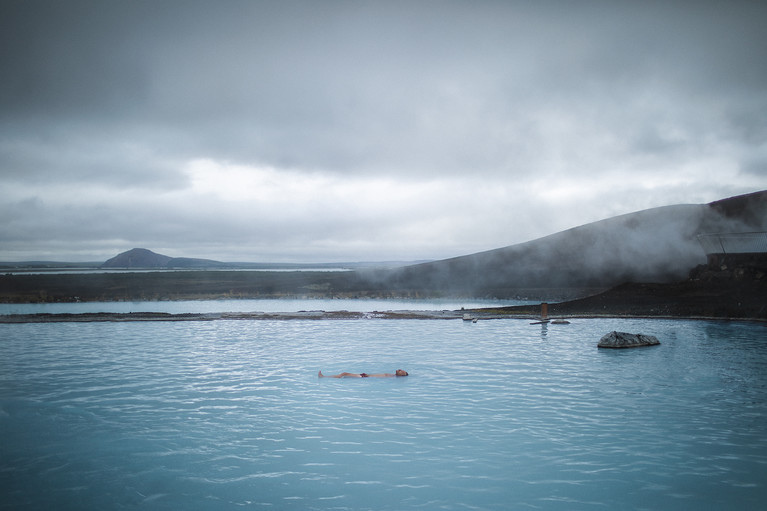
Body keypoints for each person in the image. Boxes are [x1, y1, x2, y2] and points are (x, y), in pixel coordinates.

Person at [318, 369, 408, 378]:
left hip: (364, 377)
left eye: (402, 371)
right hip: (365, 376)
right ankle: (324, 377)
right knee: (344, 374)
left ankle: (324, 377)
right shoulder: (391, 375)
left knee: (344, 373)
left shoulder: (392, 377)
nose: (400, 369)